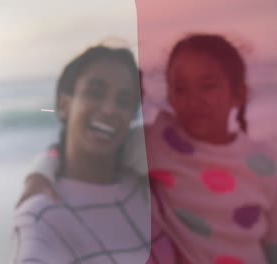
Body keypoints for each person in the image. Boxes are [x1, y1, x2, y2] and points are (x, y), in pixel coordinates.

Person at [18, 33, 277, 264]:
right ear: (170, 97)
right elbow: (93, 142)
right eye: (181, 88)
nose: (194, 99)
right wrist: (40, 174)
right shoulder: (160, 143)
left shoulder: (267, 162)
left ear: (238, 93)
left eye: (208, 86)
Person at [11, 44, 176, 264]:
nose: (109, 109)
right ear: (63, 104)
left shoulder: (149, 188)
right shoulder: (41, 216)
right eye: (95, 93)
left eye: (124, 101)